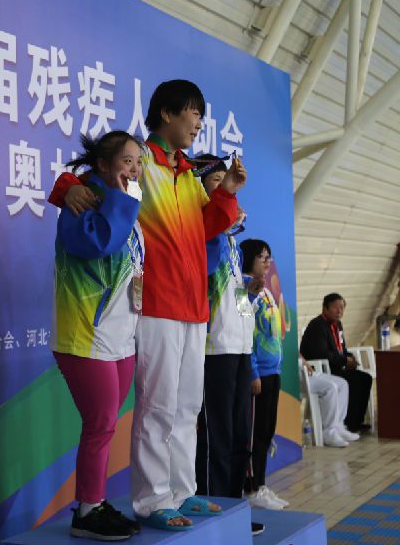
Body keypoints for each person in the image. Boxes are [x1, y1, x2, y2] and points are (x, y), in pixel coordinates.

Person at [49, 80, 246, 531]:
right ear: (167, 114)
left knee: (187, 406)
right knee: (158, 406)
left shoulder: (187, 175)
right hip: (156, 303)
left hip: (194, 305)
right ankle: (153, 498)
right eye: (193, 113)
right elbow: (90, 180)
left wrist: (226, 192)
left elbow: (203, 229)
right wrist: (65, 188)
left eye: (201, 115)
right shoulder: (140, 164)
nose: (199, 123)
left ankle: (182, 490)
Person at [52, 130, 145, 541]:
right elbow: (100, 241)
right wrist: (118, 197)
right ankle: (87, 511)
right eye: (127, 161)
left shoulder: (123, 204)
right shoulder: (81, 202)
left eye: (138, 162)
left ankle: (96, 502)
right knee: (100, 423)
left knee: (106, 426)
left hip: (120, 335)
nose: (135, 170)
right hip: (85, 335)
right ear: (103, 165)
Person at [190, 156, 264, 536]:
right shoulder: (202, 232)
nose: (224, 187)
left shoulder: (232, 243)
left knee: (238, 436)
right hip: (213, 349)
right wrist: (220, 227)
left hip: (239, 348)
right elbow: (200, 278)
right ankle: (213, 507)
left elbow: (235, 299)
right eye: (216, 182)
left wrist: (250, 295)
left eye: (227, 181)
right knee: (215, 436)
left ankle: (234, 509)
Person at [239, 238, 287, 510]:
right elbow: (246, 334)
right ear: (249, 259)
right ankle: (250, 488)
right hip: (258, 376)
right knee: (255, 434)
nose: (268, 262)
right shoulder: (244, 290)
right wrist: (253, 372)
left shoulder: (265, 291)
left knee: (267, 432)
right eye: (262, 257)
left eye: (269, 257)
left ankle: (261, 484)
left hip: (273, 372)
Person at [300, 293, 373, 434]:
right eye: (335, 307)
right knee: (353, 380)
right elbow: (321, 354)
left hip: (336, 366)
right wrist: (344, 360)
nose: (339, 311)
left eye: (342, 307)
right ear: (325, 308)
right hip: (321, 370)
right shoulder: (317, 325)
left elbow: (341, 349)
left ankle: (356, 422)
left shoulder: (338, 325)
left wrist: (350, 358)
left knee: (365, 378)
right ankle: (347, 423)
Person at [300, 355, 358, 447]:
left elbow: (296, 352)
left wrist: (304, 362)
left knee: (343, 384)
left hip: (306, 371)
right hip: (295, 374)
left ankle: (339, 426)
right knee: (330, 388)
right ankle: (329, 433)